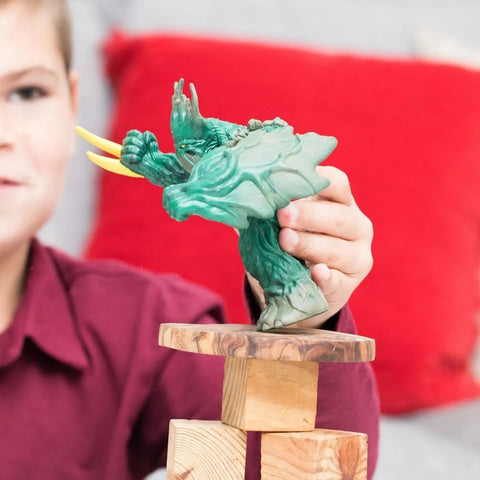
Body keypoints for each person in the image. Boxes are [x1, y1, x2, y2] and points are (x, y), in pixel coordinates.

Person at [0, 0, 379, 479]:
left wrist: (307, 325)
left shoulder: (143, 324)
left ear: (70, 106)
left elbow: (293, 466)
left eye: (26, 91)